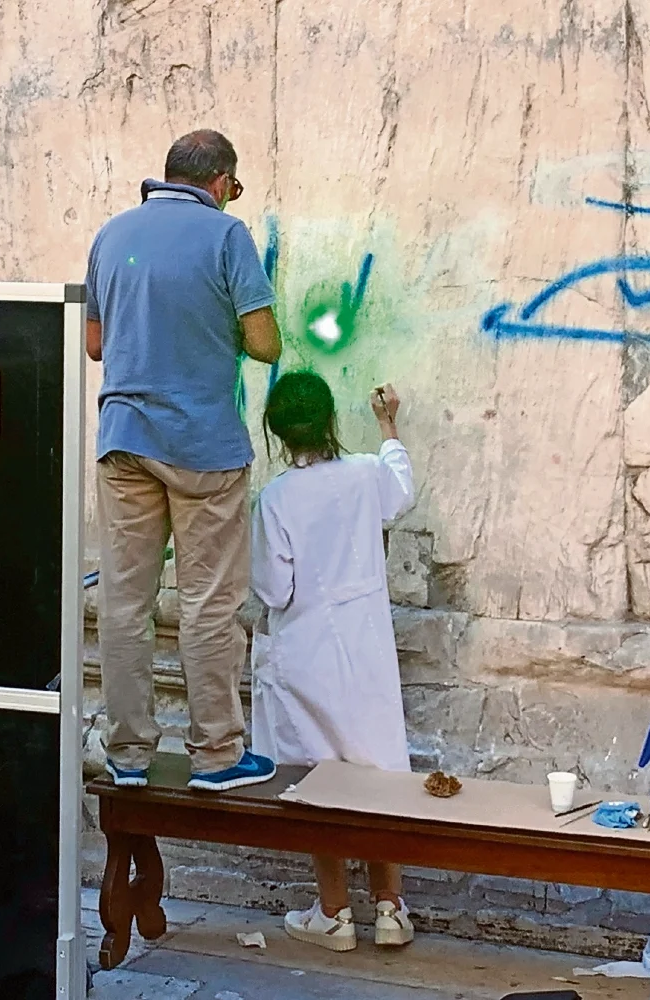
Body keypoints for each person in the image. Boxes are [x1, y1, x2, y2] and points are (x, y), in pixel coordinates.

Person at [85, 129, 282, 793]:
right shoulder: (228, 237)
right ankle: (217, 755)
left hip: (124, 442)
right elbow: (264, 344)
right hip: (203, 450)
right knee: (208, 603)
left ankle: (129, 754)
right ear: (222, 181)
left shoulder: (112, 235)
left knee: (123, 603)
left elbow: (94, 343)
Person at [250, 370, 416, 951]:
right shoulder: (365, 474)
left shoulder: (274, 498)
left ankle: (335, 912)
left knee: (319, 780)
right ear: (329, 422)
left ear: (277, 432)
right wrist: (387, 421)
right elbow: (401, 487)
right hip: (365, 645)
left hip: (307, 653)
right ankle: (391, 907)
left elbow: (274, 590)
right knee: (377, 773)